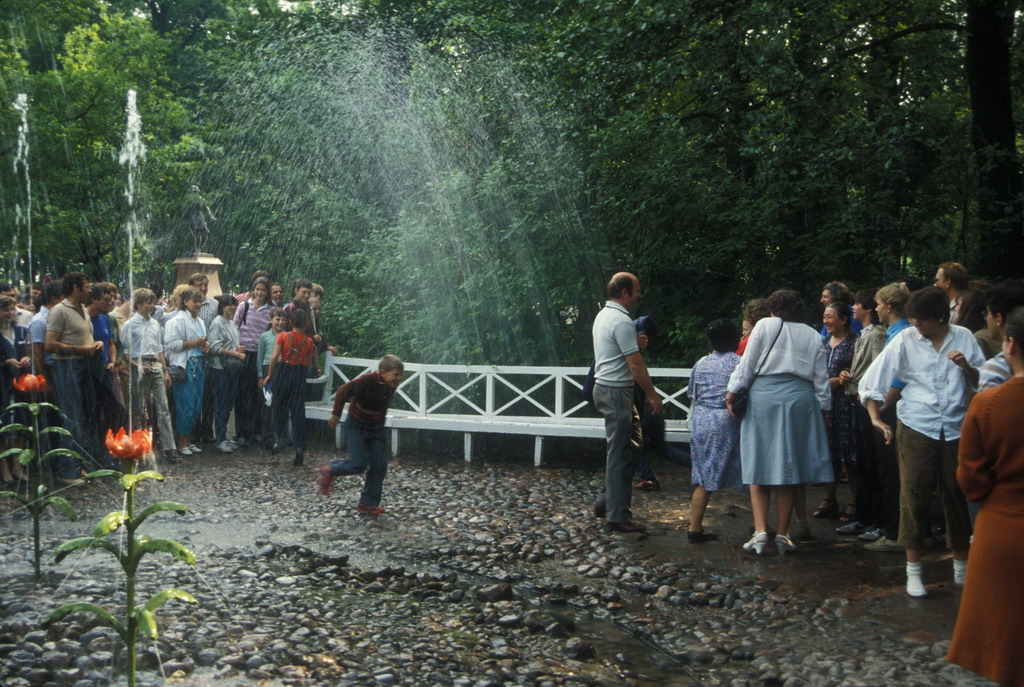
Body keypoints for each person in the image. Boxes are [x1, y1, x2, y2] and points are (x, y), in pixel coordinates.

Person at [860, 286, 983, 597]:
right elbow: (873, 380)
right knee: (914, 494)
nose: (916, 324)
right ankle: (913, 571)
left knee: (956, 494)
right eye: (913, 319)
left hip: (955, 427)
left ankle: (961, 567)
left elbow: (983, 382)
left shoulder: (964, 337)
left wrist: (966, 367)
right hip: (916, 424)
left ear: (940, 317)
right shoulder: (905, 339)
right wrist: (875, 417)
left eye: (922, 320)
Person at [946, 307, 1024, 686]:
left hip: (1003, 531)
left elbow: (972, 483)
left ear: (1010, 345)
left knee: (1005, 643)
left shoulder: (988, 404)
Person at [727, 289, 831, 555]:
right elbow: (821, 378)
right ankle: (784, 535)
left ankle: (761, 531)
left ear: (772, 309)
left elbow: (747, 365)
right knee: (789, 467)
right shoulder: (813, 334)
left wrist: (732, 392)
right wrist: (824, 408)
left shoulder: (765, 325)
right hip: (800, 400)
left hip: (765, 398)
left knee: (758, 461)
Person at [589, 273, 662, 533]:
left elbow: (619, 352)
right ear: (624, 292)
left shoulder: (605, 315)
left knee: (632, 448)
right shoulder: (621, 320)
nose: (639, 295)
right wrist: (651, 395)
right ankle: (617, 516)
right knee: (621, 453)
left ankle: (606, 500)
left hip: (611, 389)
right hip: (616, 391)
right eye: (637, 290)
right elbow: (634, 364)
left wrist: (635, 343)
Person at [858, 282, 912, 552]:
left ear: (889, 307)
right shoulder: (896, 333)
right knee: (885, 471)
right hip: (888, 409)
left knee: (890, 472)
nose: (876, 309)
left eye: (879, 304)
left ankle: (894, 531)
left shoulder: (902, 334)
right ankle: (887, 525)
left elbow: (899, 377)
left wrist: (880, 407)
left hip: (892, 411)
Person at [316, 355, 405, 515]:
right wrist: (336, 414)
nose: (398, 378)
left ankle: (367, 504)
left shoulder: (390, 384)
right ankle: (331, 469)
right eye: (395, 374)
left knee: (379, 466)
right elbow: (343, 391)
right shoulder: (367, 380)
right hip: (356, 425)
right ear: (383, 372)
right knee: (358, 464)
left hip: (376, 428)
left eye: (400, 375)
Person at [835, 288, 888, 538]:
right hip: (857, 401)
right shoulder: (863, 334)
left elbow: (879, 368)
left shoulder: (876, 334)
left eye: (857, 304)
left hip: (868, 405)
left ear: (867, 309)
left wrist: (865, 389)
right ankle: (864, 516)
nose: (853, 307)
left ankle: (878, 520)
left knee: (873, 465)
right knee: (863, 463)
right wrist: (847, 373)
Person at [45, 272, 106, 480]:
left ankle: (80, 464)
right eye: (86, 286)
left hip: (85, 365)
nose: (90, 290)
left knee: (87, 415)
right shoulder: (59, 311)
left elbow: (83, 338)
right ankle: (66, 470)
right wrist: (80, 350)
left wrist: (95, 344)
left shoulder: (83, 310)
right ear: (75, 288)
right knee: (71, 418)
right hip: (66, 367)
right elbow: (49, 344)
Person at [686, 318, 742, 542]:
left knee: (704, 477)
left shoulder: (701, 363)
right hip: (726, 419)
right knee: (747, 471)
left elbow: (692, 393)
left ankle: (695, 527)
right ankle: (762, 526)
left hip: (701, 419)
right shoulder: (739, 363)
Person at [121, 288, 177, 462]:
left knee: (163, 409)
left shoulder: (155, 324)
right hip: (139, 365)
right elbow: (125, 353)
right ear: (139, 304)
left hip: (156, 365)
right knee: (138, 409)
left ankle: (170, 448)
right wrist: (137, 366)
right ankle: (138, 447)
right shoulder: (129, 325)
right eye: (149, 303)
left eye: (153, 302)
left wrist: (165, 371)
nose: (153, 306)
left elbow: (160, 349)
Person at [815, 301, 859, 521]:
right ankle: (829, 498)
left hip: (846, 404)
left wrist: (843, 377)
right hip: (826, 405)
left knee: (849, 454)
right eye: (824, 316)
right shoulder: (822, 342)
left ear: (843, 319)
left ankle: (854, 501)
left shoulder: (855, 342)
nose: (826, 321)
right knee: (829, 452)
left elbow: (860, 368)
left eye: (830, 316)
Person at [264, 307, 316, 466]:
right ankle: (299, 447)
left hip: (284, 371)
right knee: (298, 411)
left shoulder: (283, 336)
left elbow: (273, 358)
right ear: (307, 324)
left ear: (290, 322)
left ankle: (279, 438)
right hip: (299, 374)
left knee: (279, 407)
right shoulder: (309, 342)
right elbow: (309, 364)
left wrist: (269, 375)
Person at [163, 287, 209, 457]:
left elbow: (202, 341)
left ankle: (189, 440)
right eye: (194, 301)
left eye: (200, 301)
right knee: (185, 403)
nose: (198, 304)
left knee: (196, 404)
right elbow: (171, 345)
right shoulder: (176, 321)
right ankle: (182, 441)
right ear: (185, 302)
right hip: (185, 365)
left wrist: (205, 346)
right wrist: (195, 343)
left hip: (200, 363)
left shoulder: (200, 321)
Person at [233, 277, 273, 446]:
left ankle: (256, 431)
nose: (260, 293)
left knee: (258, 395)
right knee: (243, 394)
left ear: (267, 292)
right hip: (244, 354)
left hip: (260, 355)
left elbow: (272, 332)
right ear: (253, 290)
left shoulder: (271, 309)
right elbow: (234, 327)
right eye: (257, 289)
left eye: (263, 290)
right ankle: (241, 433)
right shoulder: (244, 306)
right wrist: (236, 347)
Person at [207, 295, 245, 454]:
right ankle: (221, 438)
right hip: (219, 368)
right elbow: (214, 348)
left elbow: (231, 345)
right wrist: (236, 354)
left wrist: (237, 350)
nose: (233, 308)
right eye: (229, 305)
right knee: (221, 403)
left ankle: (225, 437)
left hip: (232, 369)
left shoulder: (232, 324)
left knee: (229, 403)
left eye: (234, 305)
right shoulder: (217, 323)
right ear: (222, 306)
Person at [0, 296, 30, 485]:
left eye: (12, 309)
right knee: (3, 427)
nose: (10, 313)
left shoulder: (21, 331)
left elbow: (27, 352)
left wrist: (27, 359)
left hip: (20, 385)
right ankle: (4, 467)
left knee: (20, 423)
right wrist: (5, 362)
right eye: (5, 310)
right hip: (2, 386)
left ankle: (17, 465)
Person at [978, 279, 1024, 390]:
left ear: (998, 318)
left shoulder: (994, 369)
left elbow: (988, 401)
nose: (987, 318)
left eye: (987, 313)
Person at [257, 308, 287, 446]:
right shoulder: (264, 336)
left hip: (283, 369)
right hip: (267, 369)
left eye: (283, 320)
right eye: (277, 319)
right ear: (270, 320)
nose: (280, 322)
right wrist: (260, 376)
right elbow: (260, 357)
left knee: (281, 402)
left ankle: (280, 435)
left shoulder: (287, 336)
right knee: (268, 402)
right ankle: (268, 435)